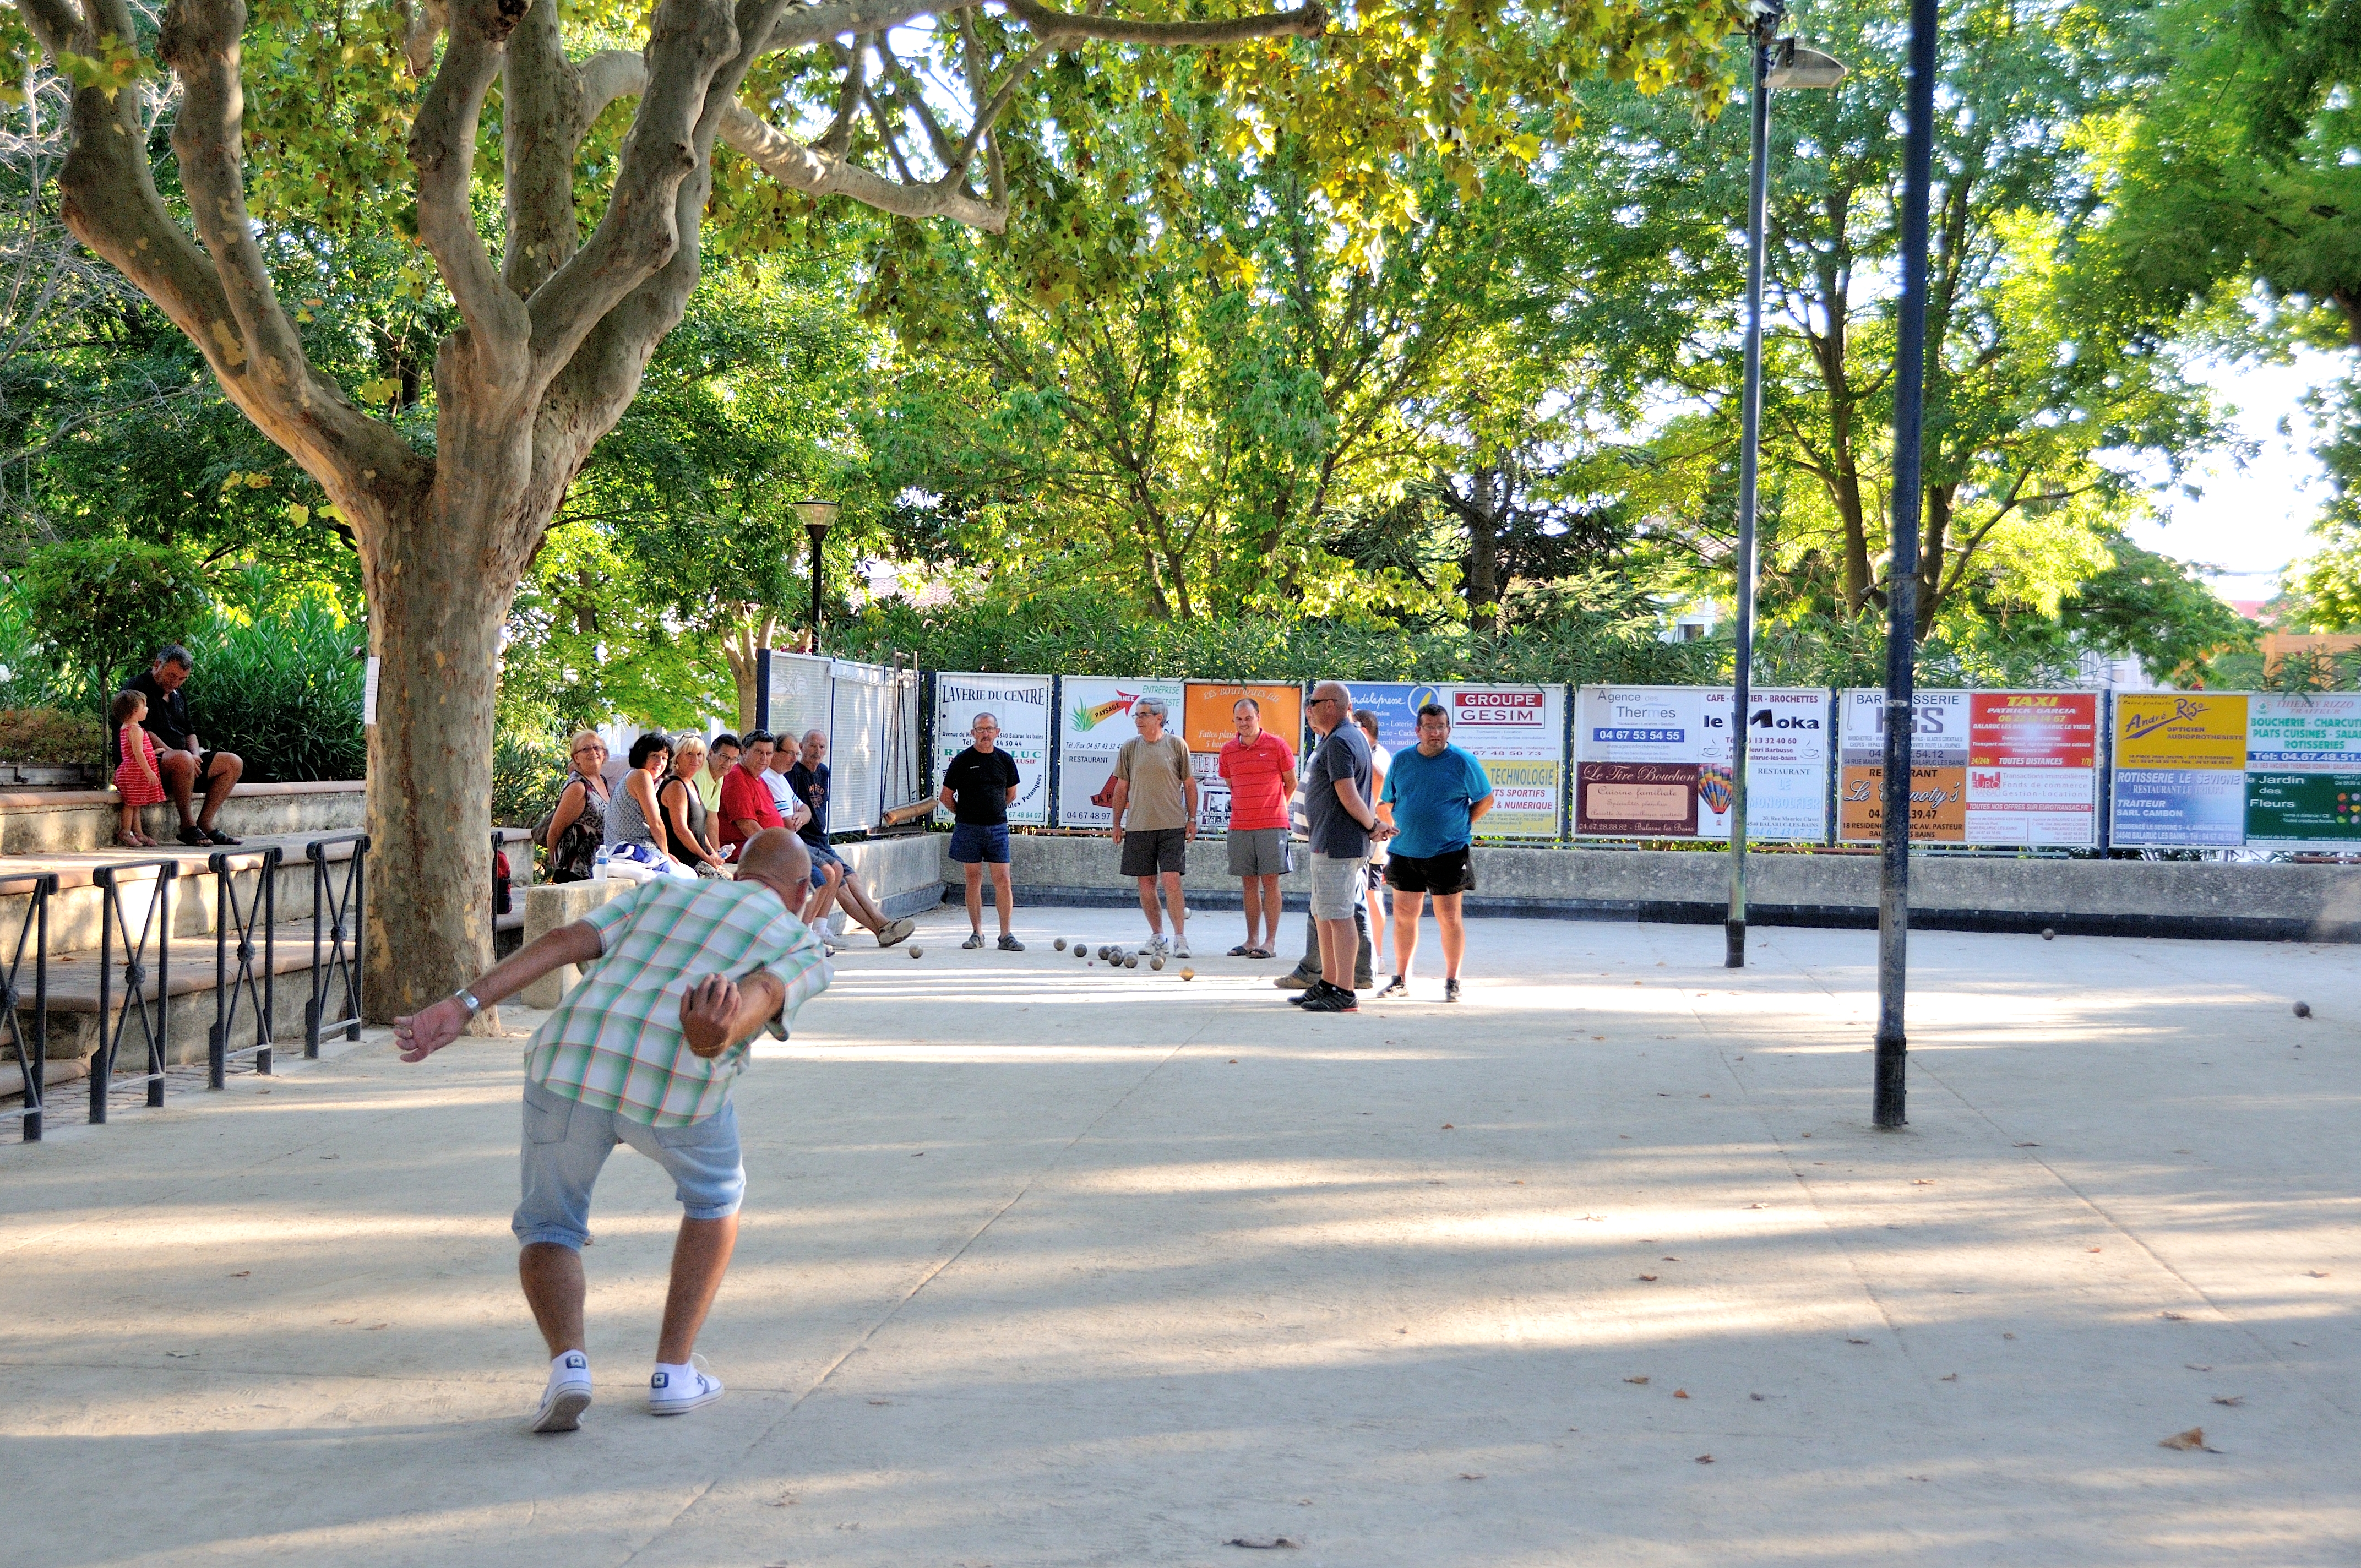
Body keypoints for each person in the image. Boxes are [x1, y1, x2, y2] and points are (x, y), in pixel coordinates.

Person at [392, 827, 831, 1434]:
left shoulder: (664, 894)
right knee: (715, 1199)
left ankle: (568, 1366)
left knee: (550, 1223)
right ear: (803, 890)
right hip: (676, 1082)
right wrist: (714, 1036)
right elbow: (763, 992)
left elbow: (564, 940)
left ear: (737, 871)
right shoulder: (799, 941)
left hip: (570, 1060)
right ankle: (673, 1372)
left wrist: (464, 1004)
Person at [1374, 703, 1494, 1003]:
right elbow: (1385, 802)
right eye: (1429, 727)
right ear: (1418, 730)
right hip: (1405, 851)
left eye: (1441, 727)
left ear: (1448, 730)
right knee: (1404, 915)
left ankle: (1453, 980)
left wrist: (1461, 825)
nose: (1436, 733)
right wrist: (1394, 827)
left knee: (1449, 918)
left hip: (1448, 851)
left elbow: (1485, 799)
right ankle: (1401, 979)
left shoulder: (1463, 761)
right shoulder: (1402, 761)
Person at [787, 729, 916, 948]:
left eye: (822, 747)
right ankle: (882, 927)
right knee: (841, 887)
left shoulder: (824, 772)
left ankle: (883, 929)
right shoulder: (793, 774)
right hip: (805, 840)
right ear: (801, 747)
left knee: (853, 878)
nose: (817, 752)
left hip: (821, 839)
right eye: (812, 746)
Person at [1294, 679, 1379, 1014]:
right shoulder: (1345, 738)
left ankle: (1345, 992)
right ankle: (1329, 983)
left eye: (1314, 702)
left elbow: (1348, 793)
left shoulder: (1341, 742)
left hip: (1338, 843)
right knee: (1325, 914)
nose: (1310, 709)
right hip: (1330, 841)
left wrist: (1372, 825)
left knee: (1340, 917)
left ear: (1330, 705)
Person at [126, 644, 243, 847]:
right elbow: (142, 731)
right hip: (151, 759)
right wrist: (181, 755)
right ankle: (187, 827)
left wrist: (196, 755)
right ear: (157, 665)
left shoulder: (178, 695)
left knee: (233, 762)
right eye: (172, 676)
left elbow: (190, 732)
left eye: (182, 679)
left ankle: (205, 824)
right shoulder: (137, 689)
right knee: (183, 759)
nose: (176, 683)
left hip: (185, 761)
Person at [1108, 696, 1196, 959]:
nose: (1138, 720)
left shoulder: (1177, 745)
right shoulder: (1130, 748)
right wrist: (1116, 823)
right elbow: (1121, 787)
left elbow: (1189, 785)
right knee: (1146, 885)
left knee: (1171, 882)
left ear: (1160, 718)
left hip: (1172, 826)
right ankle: (1158, 936)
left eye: (1143, 715)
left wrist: (1192, 819)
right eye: (1136, 715)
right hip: (1138, 826)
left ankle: (1181, 938)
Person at [1216, 697, 1295, 958]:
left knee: (1270, 883)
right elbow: (1231, 783)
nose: (1244, 724)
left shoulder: (1277, 746)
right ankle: (1251, 940)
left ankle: (1269, 943)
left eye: (1248, 718)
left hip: (1272, 826)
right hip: (1240, 826)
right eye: (1239, 719)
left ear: (1258, 717)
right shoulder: (1227, 751)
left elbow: (1290, 783)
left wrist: (1275, 808)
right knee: (1248, 884)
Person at [940, 712, 1024, 950]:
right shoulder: (962, 760)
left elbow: (1011, 795)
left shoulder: (1006, 760)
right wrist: (966, 815)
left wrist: (992, 812)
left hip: (998, 828)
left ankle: (1006, 936)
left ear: (998, 732)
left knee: (1004, 881)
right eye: (980, 729)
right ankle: (977, 934)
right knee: (973, 880)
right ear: (972, 733)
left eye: (989, 729)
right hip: (968, 829)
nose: (985, 733)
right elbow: (946, 797)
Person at [605, 733, 699, 881]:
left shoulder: (633, 776)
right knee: (688, 878)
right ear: (642, 756)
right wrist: (666, 855)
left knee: (689, 874)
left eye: (664, 757)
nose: (660, 762)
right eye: (655, 756)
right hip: (630, 850)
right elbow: (656, 822)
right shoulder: (641, 775)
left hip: (627, 850)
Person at [542, 732, 612, 883]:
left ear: (604, 754)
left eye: (597, 748)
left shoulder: (601, 780)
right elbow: (555, 830)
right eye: (585, 749)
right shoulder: (578, 787)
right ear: (576, 758)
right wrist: (554, 861)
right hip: (575, 870)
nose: (593, 752)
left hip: (595, 866)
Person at [657, 734, 730, 878]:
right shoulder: (676, 785)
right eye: (689, 754)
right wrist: (706, 857)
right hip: (685, 860)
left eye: (699, 755)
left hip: (699, 857)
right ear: (677, 757)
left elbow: (699, 829)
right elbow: (681, 829)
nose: (695, 759)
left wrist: (713, 853)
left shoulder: (692, 784)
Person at [1355, 709, 1393, 974]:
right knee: (1369, 894)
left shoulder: (1375, 755)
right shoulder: (1379, 753)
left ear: (1364, 732)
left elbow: (1381, 791)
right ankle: (1373, 954)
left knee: (1372, 895)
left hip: (1374, 837)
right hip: (1375, 833)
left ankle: (1376, 955)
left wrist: (1371, 820)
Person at [110, 688, 163, 847]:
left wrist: (153, 753)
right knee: (131, 804)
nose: (147, 709)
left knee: (136, 803)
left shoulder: (128, 728)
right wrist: (149, 771)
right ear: (134, 711)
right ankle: (125, 832)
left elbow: (135, 751)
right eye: (144, 706)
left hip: (134, 772)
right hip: (134, 773)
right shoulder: (135, 730)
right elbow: (138, 753)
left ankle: (138, 832)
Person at [697, 734, 739, 816]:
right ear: (710, 753)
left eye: (733, 759)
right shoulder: (699, 775)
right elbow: (692, 817)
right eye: (724, 756)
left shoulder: (720, 776)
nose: (728, 763)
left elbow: (712, 816)